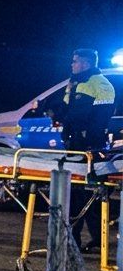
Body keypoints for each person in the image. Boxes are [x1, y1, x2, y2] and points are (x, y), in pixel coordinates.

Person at [37, 48, 118, 251]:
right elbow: (67, 109)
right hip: (79, 144)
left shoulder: (96, 84)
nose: (71, 64)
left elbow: (79, 116)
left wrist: (61, 117)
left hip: (87, 145)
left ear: (86, 63)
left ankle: (74, 241)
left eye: (75, 61)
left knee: (79, 193)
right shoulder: (79, 83)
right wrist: (54, 110)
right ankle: (93, 240)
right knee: (84, 194)